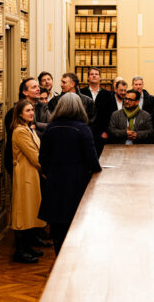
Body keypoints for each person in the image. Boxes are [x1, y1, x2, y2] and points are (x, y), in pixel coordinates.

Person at [38, 93, 102, 253]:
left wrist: (50, 172)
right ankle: (75, 255)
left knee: (58, 225)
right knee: (77, 221)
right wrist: (96, 171)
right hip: (77, 181)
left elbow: (43, 158)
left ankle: (59, 256)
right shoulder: (82, 129)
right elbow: (92, 159)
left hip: (54, 181)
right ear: (79, 108)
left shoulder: (50, 128)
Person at [7, 100, 46, 263]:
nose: (32, 113)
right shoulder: (20, 131)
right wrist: (47, 167)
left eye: (32, 110)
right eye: (28, 110)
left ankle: (27, 247)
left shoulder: (28, 129)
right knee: (22, 212)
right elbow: (33, 154)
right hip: (25, 175)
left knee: (30, 210)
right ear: (20, 114)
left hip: (32, 174)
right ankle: (20, 251)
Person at [93, 79, 128, 155]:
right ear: (115, 89)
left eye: (125, 91)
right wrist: (103, 131)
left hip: (122, 136)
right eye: (121, 90)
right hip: (108, 135)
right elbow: (100, 116)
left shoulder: (127, 101)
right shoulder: (107, 98)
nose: (123, 93)